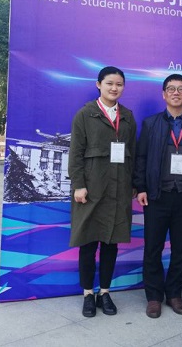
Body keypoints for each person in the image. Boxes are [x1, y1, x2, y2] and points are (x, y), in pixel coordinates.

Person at [133, 74, 182, 318]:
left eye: (181, 89)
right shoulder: (150, 124)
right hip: (157, 196)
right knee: (152, 248)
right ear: (164, 94)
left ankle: (175, 293)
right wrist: (141, 188)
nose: (176, 93)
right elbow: (141, 158)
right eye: (171, 89)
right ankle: (154, 296)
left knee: (181, 249)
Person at [68, 66, 137, 317]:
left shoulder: (127, 116)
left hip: (118, 191)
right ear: (99, 85)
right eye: (109, 83)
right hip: (91, 191)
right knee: (88, 244)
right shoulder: (85, 114)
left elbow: (133, 154)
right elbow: (75, 153)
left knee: (111, 244)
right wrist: (78, 185)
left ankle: (105, 292)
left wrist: (133, 184)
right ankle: (88, 293)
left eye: (119, 84)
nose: (114, 88)